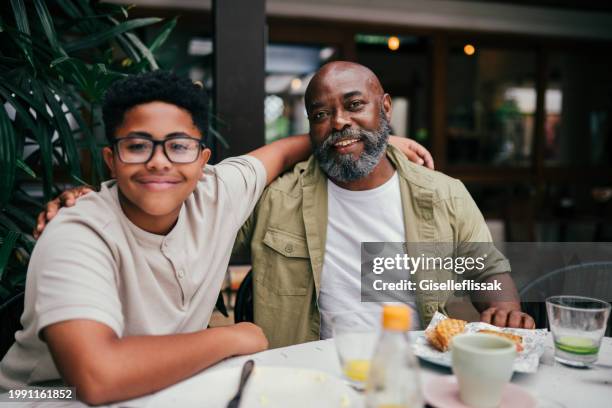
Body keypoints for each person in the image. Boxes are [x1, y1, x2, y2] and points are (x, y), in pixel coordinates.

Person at [0, 71, 317, 404]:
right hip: (45, 396)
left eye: (179, 146)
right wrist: (233, 338)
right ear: (112, 161)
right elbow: (96, 376)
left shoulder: (216, 193)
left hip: (156, 394)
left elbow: (281, 152)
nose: (159, 162)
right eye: (137, 146)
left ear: (202, 161)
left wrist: (348, 134)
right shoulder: (76, 235)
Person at [230, 62, 535, 347]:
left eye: (354, 105)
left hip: (413, 367)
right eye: (321, 115)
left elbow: (486, 269)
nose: (338, 121)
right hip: (311, 376)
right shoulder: (277, 198)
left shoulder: (445, 195)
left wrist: (504, 310)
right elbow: (201, 239)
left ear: (385, 108)